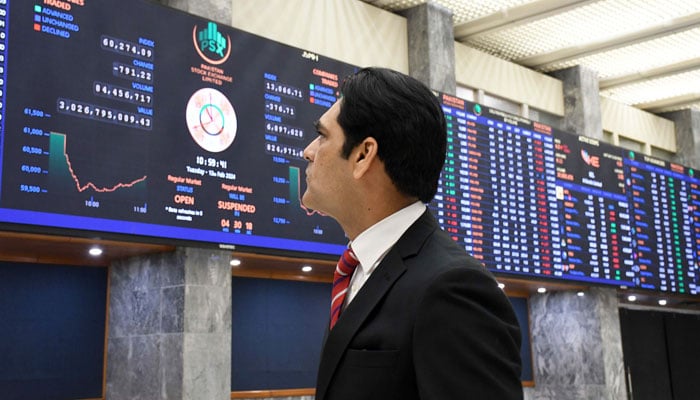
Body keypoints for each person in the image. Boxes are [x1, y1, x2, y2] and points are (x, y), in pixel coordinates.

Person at [302, 67, 523, 400]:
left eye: (322, 136)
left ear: (363, 155)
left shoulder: (453, 289)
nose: (309, 150)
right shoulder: (359, 272)